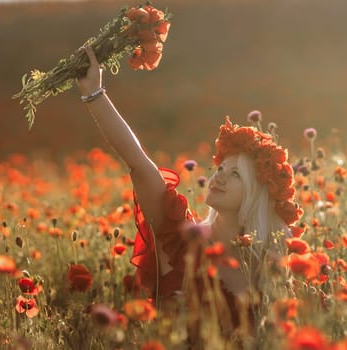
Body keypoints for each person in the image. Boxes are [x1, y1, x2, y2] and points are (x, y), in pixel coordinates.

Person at [76, 46, 303, 335]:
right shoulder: (179, 237)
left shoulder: (267, 271)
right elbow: (139, 163)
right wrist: (95, 94)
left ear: (257, 195)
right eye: (221, 168)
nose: (219, 176)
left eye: (235, 174)